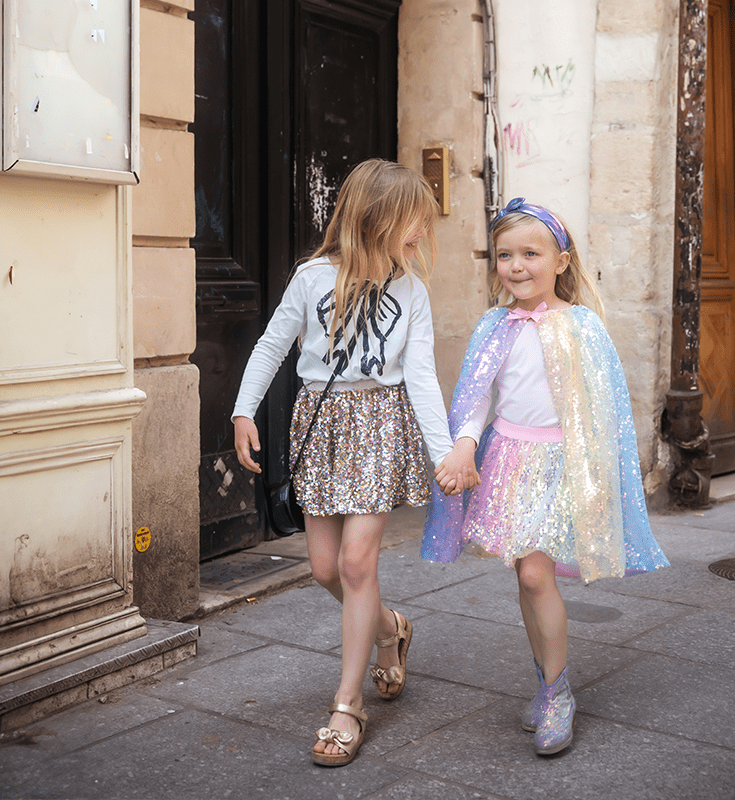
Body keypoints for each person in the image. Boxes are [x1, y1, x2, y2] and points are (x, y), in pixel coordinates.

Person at [232, 159, 476, 767]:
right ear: (377, 219)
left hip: (377, 425)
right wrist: (242, 411)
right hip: (321, 425)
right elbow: (272, 345)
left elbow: (420, 376)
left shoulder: (411, 291)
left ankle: (348, 704)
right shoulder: (312, 278)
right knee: (323, 568)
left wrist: (443, 452)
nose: (423, 233)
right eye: (414, 221)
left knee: (356, 562)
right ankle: (390, 629)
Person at [423, 196, 669, 756]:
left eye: (530, 254)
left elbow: (603, 409)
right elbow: (477, 398)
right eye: (505, 255)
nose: (516, 266)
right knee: (524, 572)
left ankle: (558, 694)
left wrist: (599, 480)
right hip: (509, 461)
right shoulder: (494, 325)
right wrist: (464, 447)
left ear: (560, 261)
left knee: (536, 574)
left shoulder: (582, 326)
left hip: (562, 463)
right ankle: (545, 680)